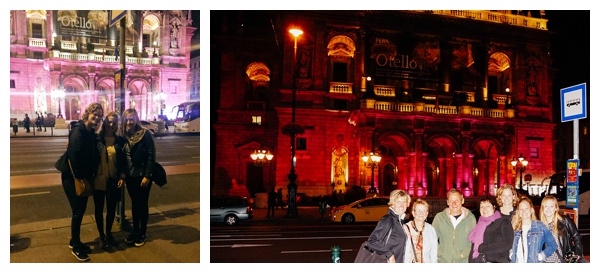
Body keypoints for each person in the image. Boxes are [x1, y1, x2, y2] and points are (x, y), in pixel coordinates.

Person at [62, 102, 103, 261]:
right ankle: (76, 247)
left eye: (100, 116)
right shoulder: (79, 131)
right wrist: (82, 178)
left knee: (79, 210)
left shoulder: (89, 131)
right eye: (95, 114)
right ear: (88, 113)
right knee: (78, 212)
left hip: (81, 177)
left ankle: (74, 241)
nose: (97, 118)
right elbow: (75, 157)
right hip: (73, 178)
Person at [121, 108, 156, 247]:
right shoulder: (123, 135)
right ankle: (135, 231)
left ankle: (142, 232)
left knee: (142, 204)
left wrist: (147, 175)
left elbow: (151, 156)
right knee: (135, 205)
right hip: (130, 176)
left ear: (136, 119)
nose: (129, 122)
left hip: (142, 176)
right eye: (127, 119)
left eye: (131, 119)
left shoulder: (145, 134)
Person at [93, 111, 126, 249]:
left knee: (111, 209)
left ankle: (108, 233)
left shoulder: (119, 141)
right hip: (98, 180)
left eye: (114, 122)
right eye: (109, 121)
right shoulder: (96, 139)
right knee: (99, 209)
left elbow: (123, 161)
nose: (111, 125)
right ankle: (101, 235)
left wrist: (122, 176)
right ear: (104, 122)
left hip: (113, 180)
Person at [432, 188, 476, 262]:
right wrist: (440, 253)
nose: (454, 203)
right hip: (443, 262)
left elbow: (473, 241)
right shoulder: (439, 218)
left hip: (463, 262)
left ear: (462, 201)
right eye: (451, 200)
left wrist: (463, 254)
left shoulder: (471, 219)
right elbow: (432, 238)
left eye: (457, 200)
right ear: (447, 202)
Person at [365, 189, 410, 263]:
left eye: (404, 202)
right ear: (392, 204)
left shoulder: (400, 222)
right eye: (398, 202)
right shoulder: (388, 220)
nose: (401, 205)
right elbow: (371, 242)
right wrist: (389, 255)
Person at [539, 195, 585, 263]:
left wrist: (577, 255)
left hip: (561, 261)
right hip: (545, 262)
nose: (548, 209)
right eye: (546, 206)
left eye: (551, 206)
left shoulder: (565, 221)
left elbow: (577, 237)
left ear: (556, 208)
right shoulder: (539, 225)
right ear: (542, 208)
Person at [510, 197, 557, 263]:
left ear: (531, 210)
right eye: (521, 209)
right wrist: (511, 253)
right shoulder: (514, 227)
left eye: (526, 208)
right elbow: (509, 244)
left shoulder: (540, 226)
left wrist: (542, 256)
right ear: (518, 212)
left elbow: (553, 245)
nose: (524, 211)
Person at [468, 195, 513, 263]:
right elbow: (473, 249)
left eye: (487, 206)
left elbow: (508, 244)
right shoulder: (478, 225)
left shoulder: (503, 222)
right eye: (482, 206)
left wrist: (483, 248)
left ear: (494, 207)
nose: (484, 209)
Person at [403, 198, 438, 263]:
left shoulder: (431, 230)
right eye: (418, 210)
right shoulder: (405, 228)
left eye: (424, 210)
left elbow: (434, 252)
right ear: (413, 213)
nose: (421, 213)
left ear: (427, 214)